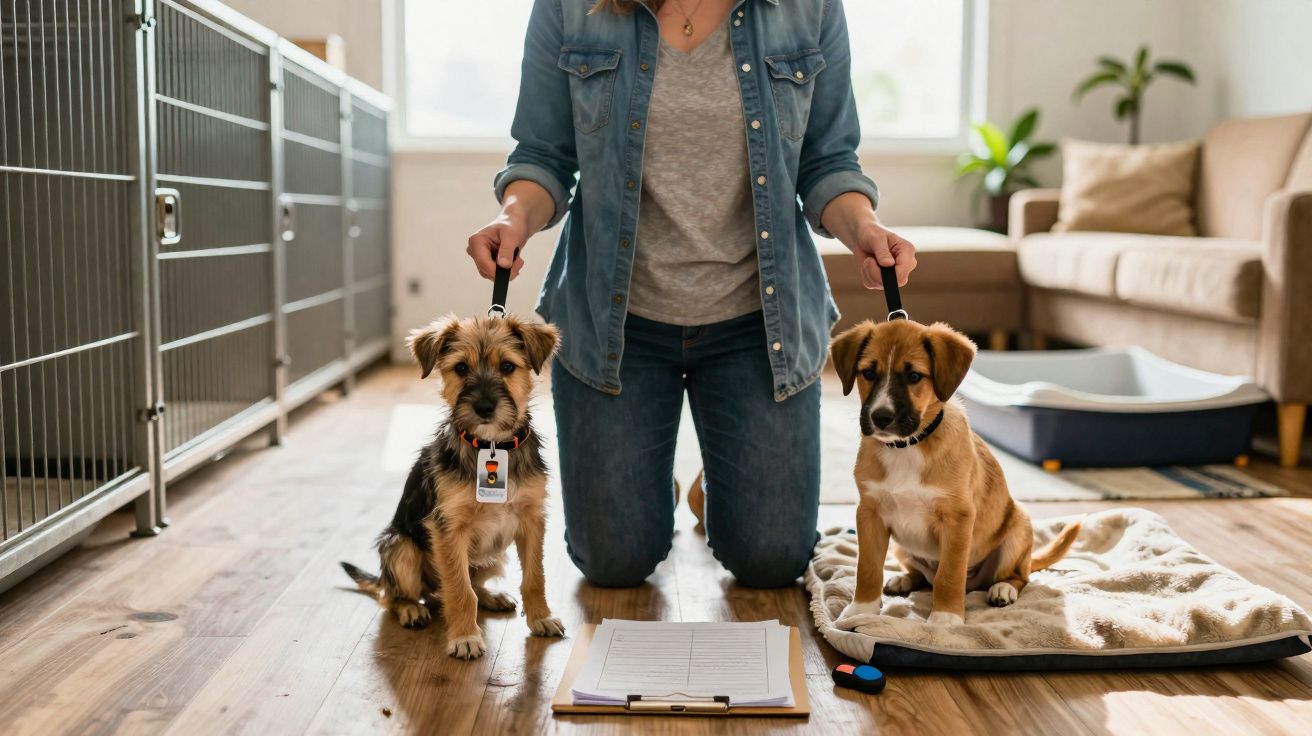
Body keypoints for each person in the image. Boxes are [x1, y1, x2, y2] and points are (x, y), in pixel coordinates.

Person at [466, 0, 917, 588]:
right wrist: (512, 218)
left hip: (761, 327)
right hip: (614, 327)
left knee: (772, 561)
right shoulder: (571, 9)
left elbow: (828, 160)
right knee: (613, 563)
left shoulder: (809, 10)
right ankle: (657, 487)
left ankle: (722, 487)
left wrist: (864, 229)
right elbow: (543, 156)